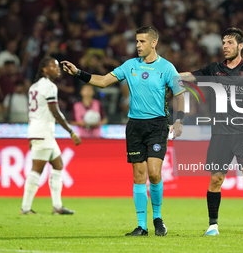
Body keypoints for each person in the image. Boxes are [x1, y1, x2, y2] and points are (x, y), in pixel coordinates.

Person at [62, 26, 185, 236]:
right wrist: (78, 73)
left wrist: (180, 119)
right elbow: (102, 81)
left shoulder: (167, 68)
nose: (137, 45)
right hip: (135, 126)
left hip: (157, 124)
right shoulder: (129, 66)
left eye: (142, 41)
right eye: (137, 41)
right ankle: (142, 226)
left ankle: (157, 218)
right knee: (139, 175)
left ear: (154, 43)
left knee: (154, 174)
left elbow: (180, 94)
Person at [180, 27, 243, 237]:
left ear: (240, 45)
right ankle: (213, 226)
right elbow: (191, 76)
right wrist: (170, 74)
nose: (225, 46)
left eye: (230, 43)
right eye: (223, 43)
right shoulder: (214, 69)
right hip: (220, 133)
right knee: (216, 179)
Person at [21, 57, 81, 215]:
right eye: (53, 66)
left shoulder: (34, 86)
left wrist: (30, 135)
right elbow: (55, 112)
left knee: (58, 165)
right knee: (36, 171)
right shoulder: (49, 86)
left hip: (41, 133)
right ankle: (25, 208)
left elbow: (32, 113)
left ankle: (57, 207)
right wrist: (71, 132)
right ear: (44, 69)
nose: (57, 69)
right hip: (43, 133)